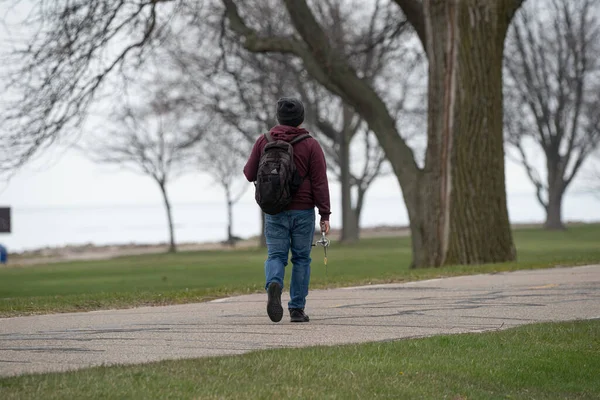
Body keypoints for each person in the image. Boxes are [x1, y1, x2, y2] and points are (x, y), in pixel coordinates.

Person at [243, 97, 331, 323]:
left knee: (276, 255)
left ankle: (274, 283)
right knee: (301, 259)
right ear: (301, 118)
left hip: (274, 211)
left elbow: (249, 173)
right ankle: (297, 310)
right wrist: (325, 214)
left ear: (278, 117)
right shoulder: (311, 144)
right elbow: (320, 181)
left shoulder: (264, 141)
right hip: (303, 211)